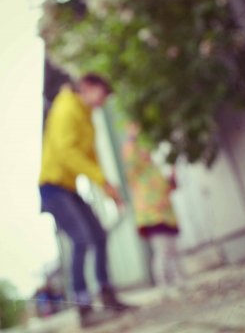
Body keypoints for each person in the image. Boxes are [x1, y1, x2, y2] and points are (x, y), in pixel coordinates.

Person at [38, 73, 134, 328]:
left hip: (68, 188)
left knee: (99, 235)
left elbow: (91, 156)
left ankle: (107, 293)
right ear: (88, 87)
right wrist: (100, 179)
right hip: (52, 187)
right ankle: (82, 306)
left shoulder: (87, 115)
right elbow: (66, 152)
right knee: (81, 239)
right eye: (101, 95)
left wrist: (107, 188)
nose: (102, 103)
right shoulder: (65, 107)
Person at [122, 122, 185, 297]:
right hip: (152, 216)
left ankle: (179, 281)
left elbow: (168, 188)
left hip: (166, 215)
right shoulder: (136, 172)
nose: (145, 151)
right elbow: (130, 156)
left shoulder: (154, 169)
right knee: (162, 251)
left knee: (173, 249)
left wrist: (172, 179)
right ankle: (163, 286)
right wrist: (132, 138)